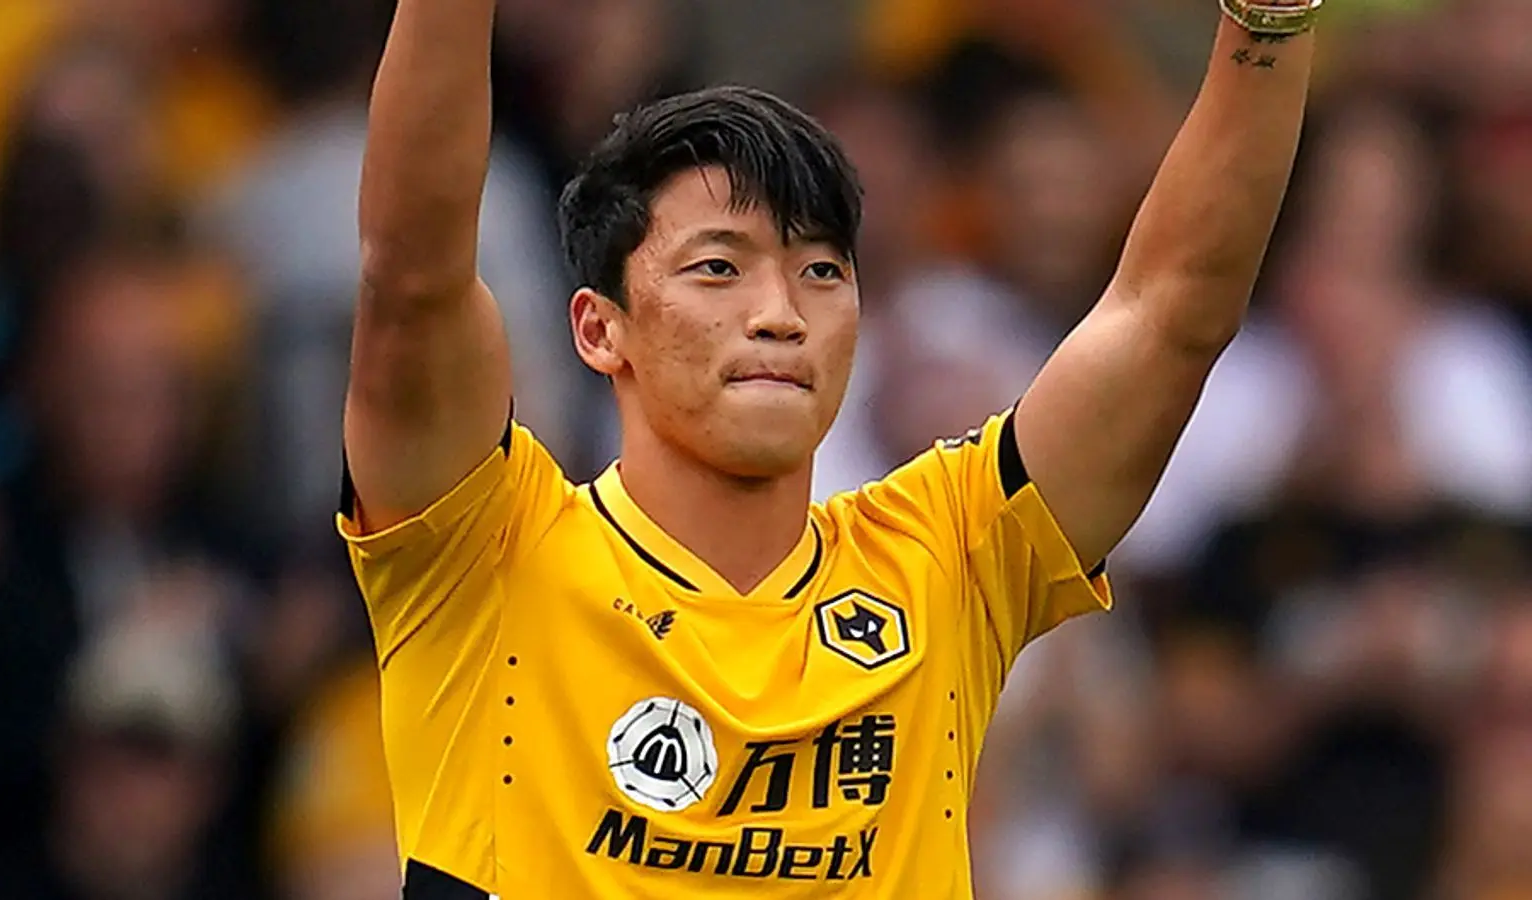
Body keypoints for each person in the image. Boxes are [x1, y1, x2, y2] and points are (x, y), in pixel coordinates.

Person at [338, 0, 1320, 896]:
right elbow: (413, 275)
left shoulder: (946, 560)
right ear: (600, 329)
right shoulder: (487, 554)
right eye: (717, 268)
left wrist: (1269, 19)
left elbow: (1171, 312)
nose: (780, 314)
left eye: (819, 271)